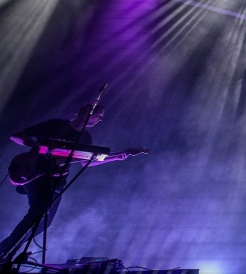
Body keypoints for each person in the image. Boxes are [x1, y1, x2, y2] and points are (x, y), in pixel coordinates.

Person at [0, 102, 144, 263]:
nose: (100, 120)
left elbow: (86, 162)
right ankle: (3, 251)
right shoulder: (56, 124)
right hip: (35, 173)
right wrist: (38, 147)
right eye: (99, 116)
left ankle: (8, 253)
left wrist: (118, 156)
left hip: (57, 180)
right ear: (88, 112)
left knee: (44, 222)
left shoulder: (85, 138)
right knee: (38, 212)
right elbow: (17, 135)